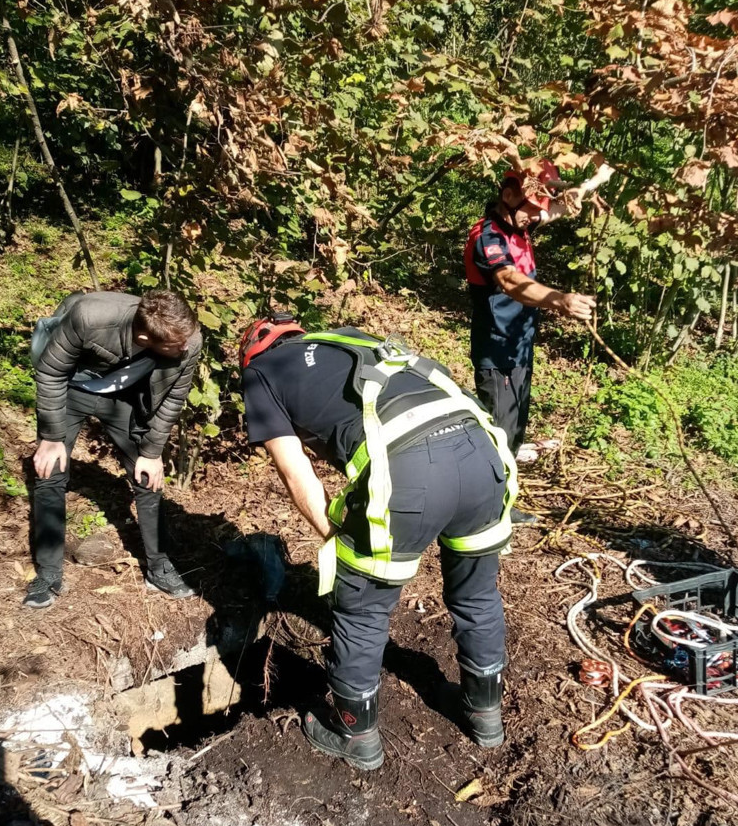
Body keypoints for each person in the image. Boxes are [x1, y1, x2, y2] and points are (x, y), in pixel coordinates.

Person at [240, 314, 518, 771]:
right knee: (478, 594)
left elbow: (295, 472)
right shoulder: (348, 339)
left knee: (363, 610)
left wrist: (335, 536)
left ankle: (355, 735)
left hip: (410, 473)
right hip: (483, 453)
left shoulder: (261, 374)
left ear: (250, 355)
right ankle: (484, 715)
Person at [24, 289, 201, 609]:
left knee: (148, 476)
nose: (186, 346)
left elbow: (173, 399)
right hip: (70, 390)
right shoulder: (90, 317)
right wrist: (51, 438)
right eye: (177, 345)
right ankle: (48, 574)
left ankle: (159, 567)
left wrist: (151, 452)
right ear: (146, 337)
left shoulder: (188, 339)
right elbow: (50, 371)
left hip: (124, 399)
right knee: (50, 471)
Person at [464, 162, 596, 521]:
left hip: (520, 346)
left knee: (515, 431)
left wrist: (595, 178)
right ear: (507, 197)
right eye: (531, 209)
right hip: (497, 350)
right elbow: (507, 280)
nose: (536, 217)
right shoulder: (488, 236)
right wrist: (561, 300)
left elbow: (560, 207)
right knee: (499, 435)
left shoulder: (519, 222)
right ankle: (485, 513)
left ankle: (500, 503)